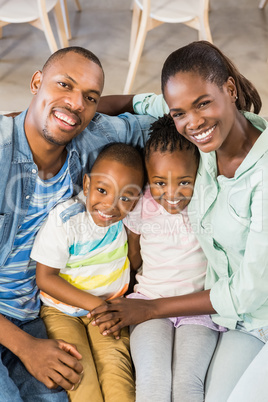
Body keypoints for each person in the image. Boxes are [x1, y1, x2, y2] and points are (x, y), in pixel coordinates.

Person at [89, 41, 268, 401]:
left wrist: (153, 307)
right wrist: (67, 111)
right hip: (216, 312)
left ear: (229, 90)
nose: (193, 122)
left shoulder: (260, 174)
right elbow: (135, 102)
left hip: (254, 315)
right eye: (179, 113)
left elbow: (249, 291)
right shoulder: (193, 140)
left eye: (203, 103)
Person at [0, 45, 155, 401]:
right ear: (36, 81)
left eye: (90, 97)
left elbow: (166, 118)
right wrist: (26, 347)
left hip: (30, 313)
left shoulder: (91, 142)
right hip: (16, 329)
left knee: (65, 390)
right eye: (64, 85)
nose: (75, 104)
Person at [30, 143, 144, 402]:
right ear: (88, 183)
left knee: (118, 378)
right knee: (80, 377)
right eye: (102, 190)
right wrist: (96, 305)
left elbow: (133, 259)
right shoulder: (66, 219)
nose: (110, 205)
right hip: (62, 311)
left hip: (110, 309)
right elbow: (45, 278)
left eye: (126, 198)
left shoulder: (127, 219)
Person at [123, 115, 225, 402]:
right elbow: (133, 253)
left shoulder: (208, 205)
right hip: (147, 303)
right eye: (159, 182)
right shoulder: (141, 205)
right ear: (147, 176)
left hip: (199, 310)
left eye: (184, 181)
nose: (171, 193)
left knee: (188, 385)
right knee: (153, 381)